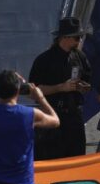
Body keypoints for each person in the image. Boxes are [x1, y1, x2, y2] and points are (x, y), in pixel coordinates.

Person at [0, 70, 59, 184]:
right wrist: (40, 98)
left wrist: (0, 83)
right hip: (20, 183)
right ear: (18, 89)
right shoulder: (30, 114)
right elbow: (55, 121)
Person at [28, 17, 92, 159]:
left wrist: (82, 87)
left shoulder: (79, 56)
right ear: (65, 38)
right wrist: (60, 88)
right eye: (77, 37)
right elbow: (33, 92)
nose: (79, 41)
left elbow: (88, 80)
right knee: (52, 157)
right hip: (52, 114)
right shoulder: (44, 60)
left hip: (74, 115)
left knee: (77, 157)